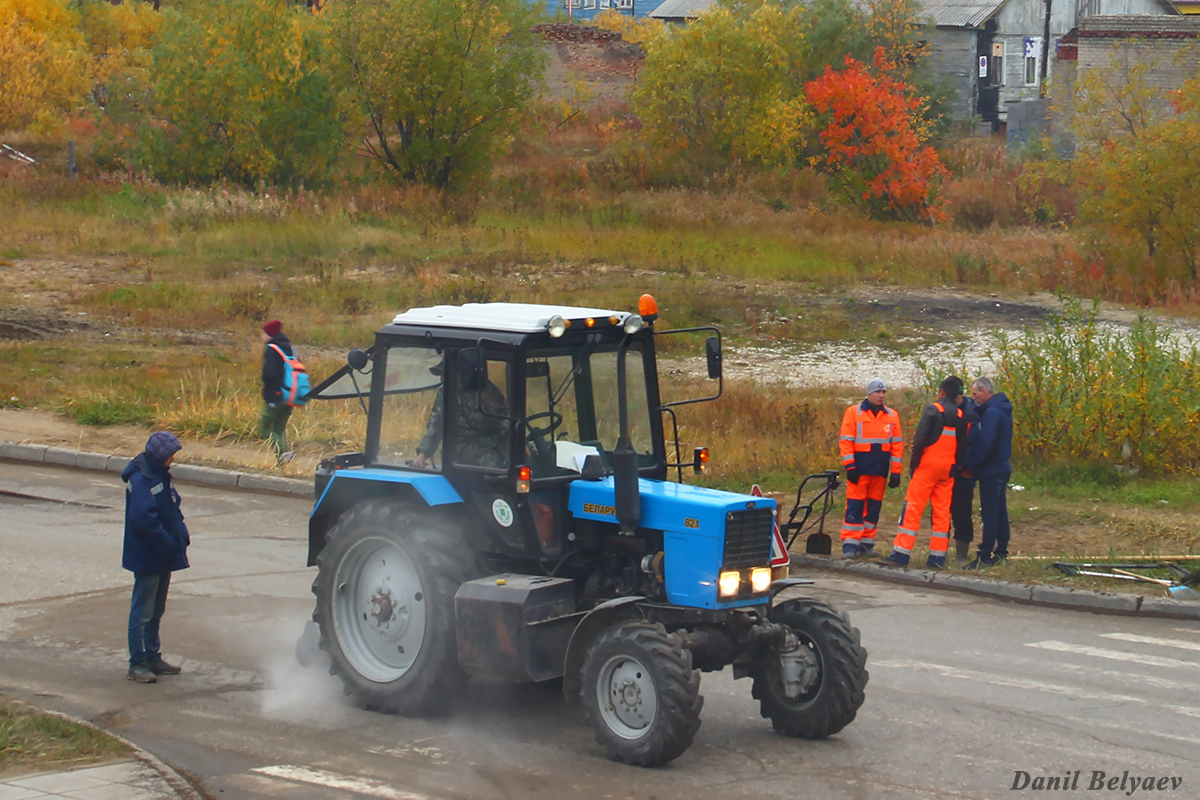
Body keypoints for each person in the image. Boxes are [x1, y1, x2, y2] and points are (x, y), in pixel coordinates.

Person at [121, 432, 190, 684]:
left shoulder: (162, 476)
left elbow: (174, 509)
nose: (174, 458)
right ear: (160, 455)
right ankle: (137, 663)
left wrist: (181, 535)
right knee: (141, 612)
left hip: (162, 556)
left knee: (156, 610)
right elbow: (143, 520)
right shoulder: (142, 479)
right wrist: (167, 543)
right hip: (148, 557)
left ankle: (152, 656)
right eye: (171, 453)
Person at [881, 377, 971, 569]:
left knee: (913, 509)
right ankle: (937, 557)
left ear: (941, 392)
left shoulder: (933, 410)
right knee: (942, 513)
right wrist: (956, 467)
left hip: (926, 469)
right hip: (947, 470)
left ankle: (901, 553)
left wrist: (914, 465)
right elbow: (962, 447)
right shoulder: (962, 416)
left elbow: (920, 440)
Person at [838, 377, 903, 559]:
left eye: (883, 392)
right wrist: (850, 466)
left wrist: (896, 472)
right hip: (859, 469)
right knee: (855, 507)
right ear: (869, 393)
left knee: (874, 508)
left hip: (879, 470)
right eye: (878, 392)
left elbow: (897, 446)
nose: (881, 396)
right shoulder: (853, 413)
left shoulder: (892, 416)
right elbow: (846, 441)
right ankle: (850, 544)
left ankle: (867, 543)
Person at [411, 364, 509, 470]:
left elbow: (505, 419)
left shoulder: (486, 392)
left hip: (489, 443)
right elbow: (437, 424)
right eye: (442, 375)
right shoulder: (444, 392)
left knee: (512, 465)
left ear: (463, 375)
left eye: (446, 375)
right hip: (457, 447)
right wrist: (422, 454)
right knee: (489, 461)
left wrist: (519, 443)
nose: (442, 379)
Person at [964, 376, 1013, 569]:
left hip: (991, 470)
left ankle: (984, 555)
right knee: (1000, 511)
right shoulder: (1003, 410)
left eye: (975, 394)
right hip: (1002, 467)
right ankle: (1001, 550)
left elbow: (986, 443)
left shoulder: (991, 413)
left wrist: (973, 466)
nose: (973, 398)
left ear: (985, 392)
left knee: (990, 514)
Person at [259, 319, 296, 463]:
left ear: (269, 334)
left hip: (275, 395)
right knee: (279, 429)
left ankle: (283, 452)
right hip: (291, 394)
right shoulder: (290, 349)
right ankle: (282, 461)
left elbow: (270, 374)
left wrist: (266, 385)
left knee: (265, 429)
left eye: (263, 332)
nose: (261, 335)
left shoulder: (271, 349)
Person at [951, 389, 980, 566]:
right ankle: (937, 552)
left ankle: (961, 555)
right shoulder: (941, 410)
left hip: (964, 473)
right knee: (939, 514)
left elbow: (975, 443)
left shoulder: (973, 412)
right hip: (944, 471)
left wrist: (964, 465)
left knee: (962, 514)